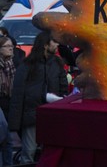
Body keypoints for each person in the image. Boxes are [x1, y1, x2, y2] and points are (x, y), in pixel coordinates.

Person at [8, 31, 67, 163]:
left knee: (49, 153)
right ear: (46, 45)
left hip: (52, 115)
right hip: (31, 115)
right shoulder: (27, 65)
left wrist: (61, 100)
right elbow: (18, 93)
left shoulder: (57, 63)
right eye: (54, 42)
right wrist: (14, 125)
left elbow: (63, 86)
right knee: (29, 153)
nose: (57, 45)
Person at [0, 37, 15, 166]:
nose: (10, 48)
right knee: (3, 136)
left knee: (8, 141)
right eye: (6, 46)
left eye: (11, 46)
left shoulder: (10, 63)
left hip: (6, 103)